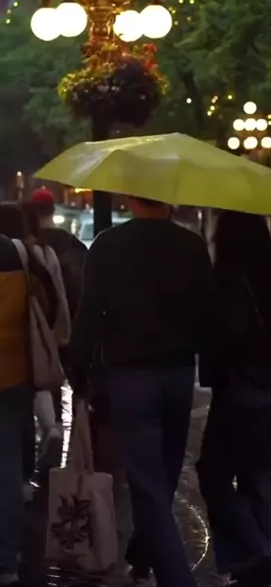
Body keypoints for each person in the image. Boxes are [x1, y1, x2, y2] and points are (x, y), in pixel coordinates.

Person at [68, 196, 215, 587]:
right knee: (164, 476)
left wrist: (79, 370)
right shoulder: (191, 245)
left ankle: (176, 578)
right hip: (179, 371)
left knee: (148, 483)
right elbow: (207, 312)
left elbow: (88, 312)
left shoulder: (108, 245)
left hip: (130, 375)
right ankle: (143, 554)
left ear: (132, 198)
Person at [197, 211, 271, 587]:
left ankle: (256, 554)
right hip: (269, 394)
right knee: (256, 477)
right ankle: (251, 565)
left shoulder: (228, 284)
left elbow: (228, 343)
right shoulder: (268, 281)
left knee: (213, 475)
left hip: (237, 397)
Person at [0, 203, 57, 584]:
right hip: (12, 373)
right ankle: (6, 560)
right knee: (7, 466)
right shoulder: (19, 254)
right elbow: (48, 306)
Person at [22, 202, 71, 471]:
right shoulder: (46, 251)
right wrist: (56, 329)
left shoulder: (14, 251)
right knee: (44, 382)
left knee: (17, 402)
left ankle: (24, 469)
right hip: (43, 329)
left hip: (17, 333)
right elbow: (57, 293)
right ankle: (52, 426)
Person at [30, 188, 87, 322]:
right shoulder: (72, 242)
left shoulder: (28, 246)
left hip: (42, 318)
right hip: (72, 315)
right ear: (53, 209)